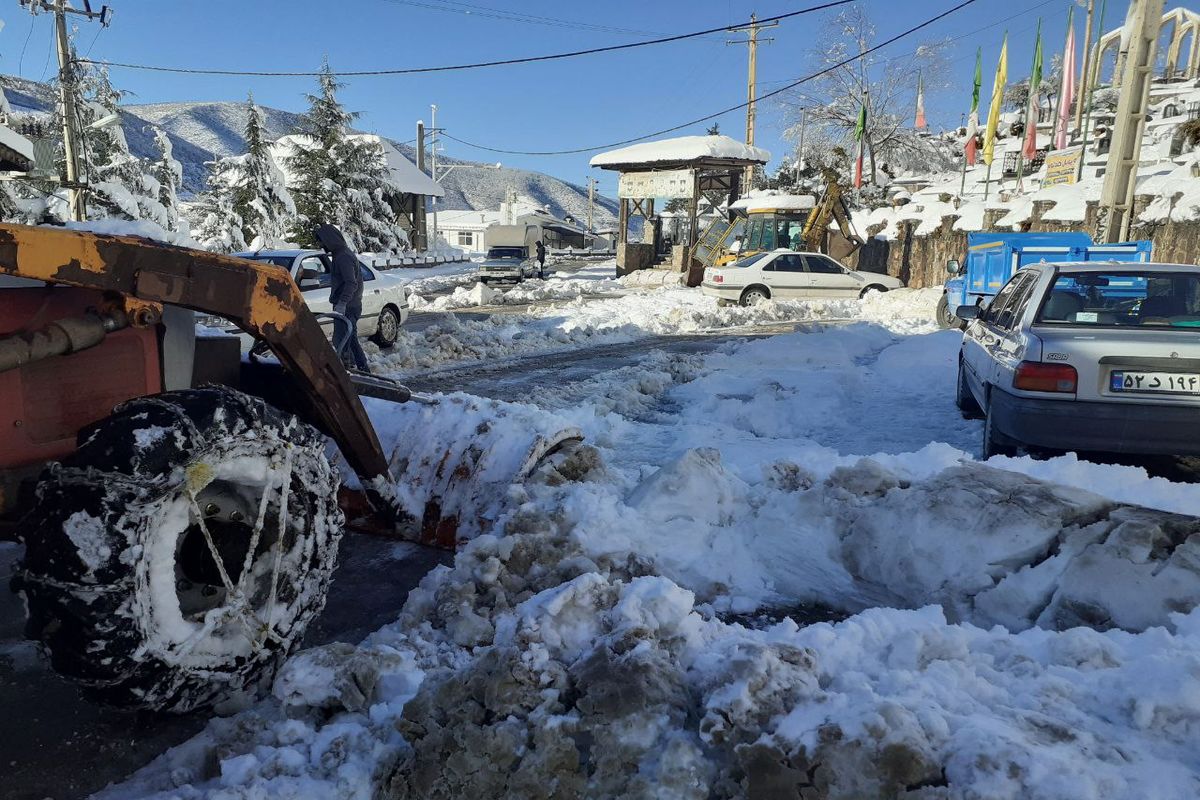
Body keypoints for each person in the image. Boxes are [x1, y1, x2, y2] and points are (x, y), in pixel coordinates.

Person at [314, 223, 370, 373]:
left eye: (321, 241)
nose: (321, 244)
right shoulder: (340, 255)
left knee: (343, 341)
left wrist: (342, 302)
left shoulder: (343, 257)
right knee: (348, 340)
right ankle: (357, 370)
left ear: (329, 240)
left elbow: (351, 282)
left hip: (348, 307)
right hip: (348, 305)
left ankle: (356, 371)